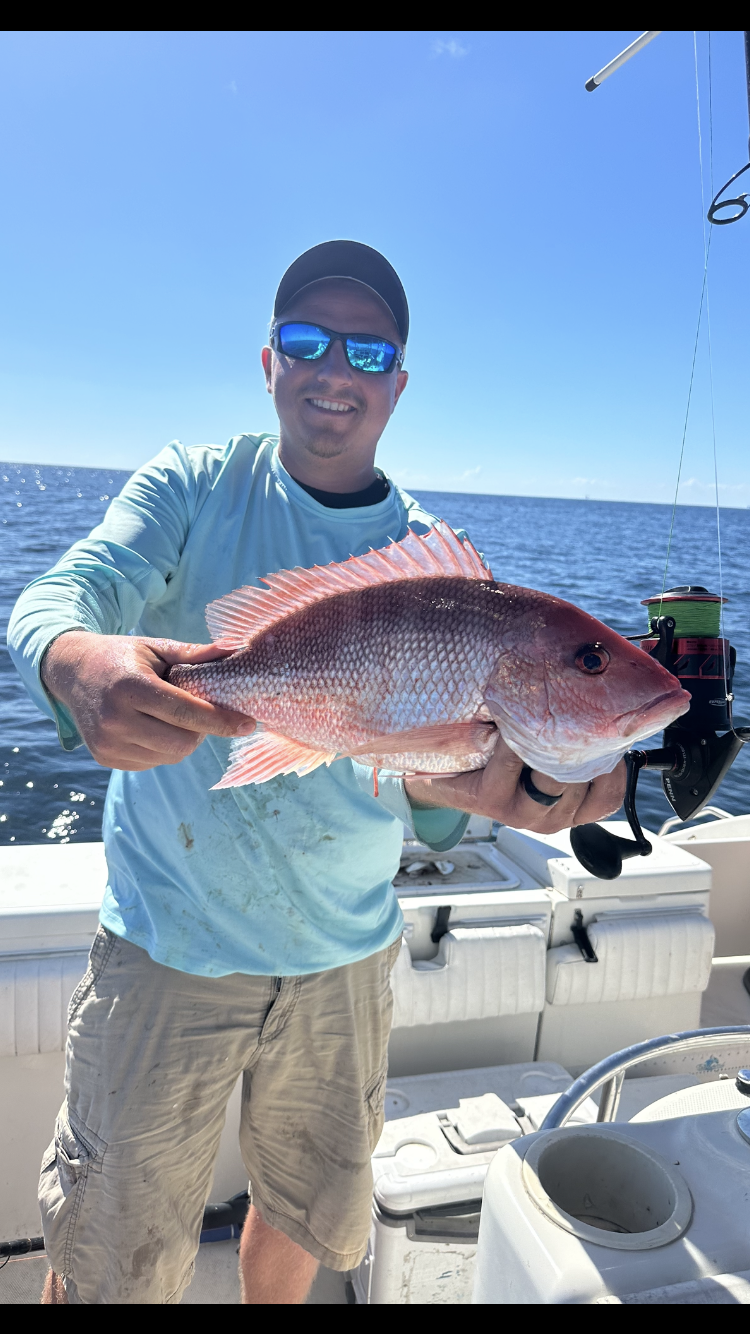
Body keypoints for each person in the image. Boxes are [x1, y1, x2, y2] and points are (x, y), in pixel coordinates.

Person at [8, 241, 624, 1304]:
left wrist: (508, 788)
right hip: (170, 945)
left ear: (397, 380)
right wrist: (81, 667)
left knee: (296, 1218)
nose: (334, 367)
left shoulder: (438, 551)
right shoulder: (194, 485)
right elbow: (59, 599)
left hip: (345, 962)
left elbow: (434, 810)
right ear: (268, 361)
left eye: (367, 346)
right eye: (307, 339)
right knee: (110, 1250)